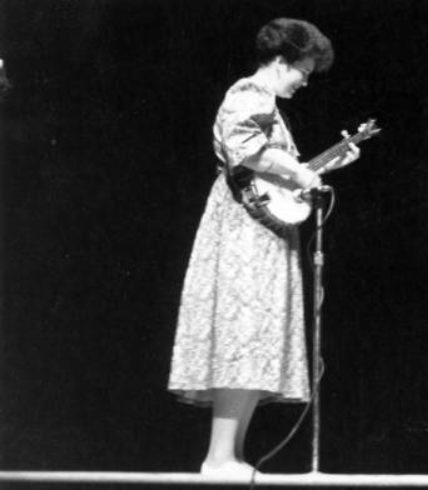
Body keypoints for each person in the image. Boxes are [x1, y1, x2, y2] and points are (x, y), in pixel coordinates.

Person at [168, 18, 360, 476]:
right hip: (242, 234)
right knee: (242, 333)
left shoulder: (269, 104)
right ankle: (217, 456)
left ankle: (230, 454)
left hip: (264, 233)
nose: (305, 79)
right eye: (303, 70)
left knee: (259, 339)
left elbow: (272, 177)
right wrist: (298, 173)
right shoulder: (248, 94)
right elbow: (245, 148)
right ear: (280, 61)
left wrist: (328, 161)